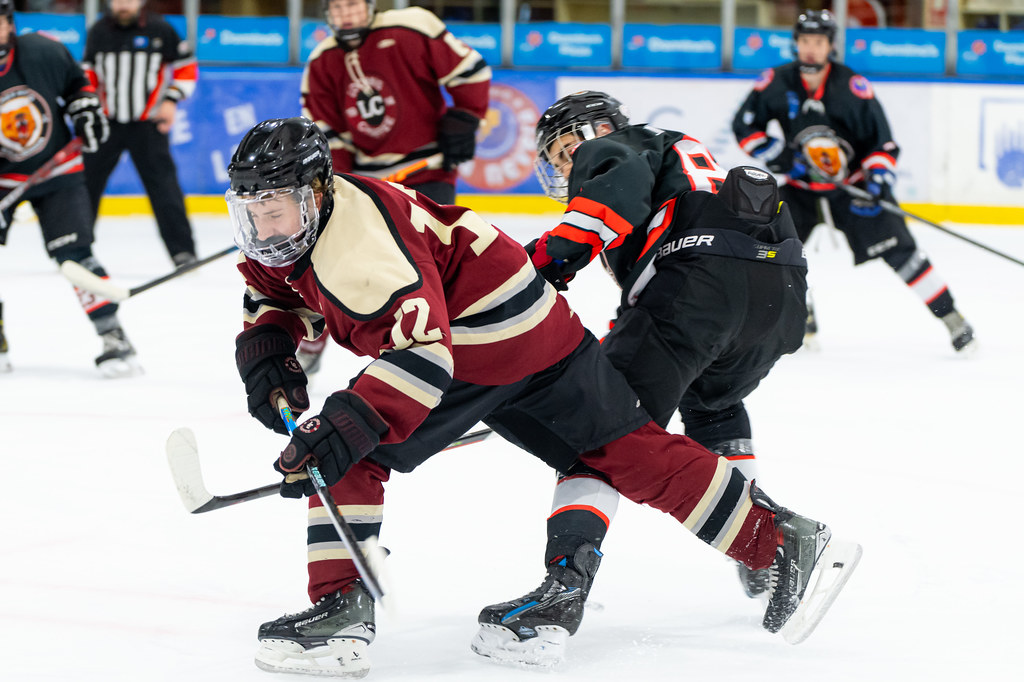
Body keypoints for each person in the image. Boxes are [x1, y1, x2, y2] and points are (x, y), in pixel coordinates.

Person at [225, 116, 859, 677]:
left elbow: (422, 355)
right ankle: (781, 541)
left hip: (483, 337)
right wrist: (269, 348)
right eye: (249, 210)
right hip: (542, 321)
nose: (261, 224)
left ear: (316, 194)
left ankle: (340, 608)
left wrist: (347, 423)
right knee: (622, 446)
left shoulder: (362, 243)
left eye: (274, 208)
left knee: (353, 447)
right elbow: (277, 294)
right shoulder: (304, 226)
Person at [470, 90, 810, 659]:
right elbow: (661, 283)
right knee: (714, 406)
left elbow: (600, 219)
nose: (562, 165)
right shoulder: (683, 164)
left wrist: (538, 267)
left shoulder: (616, 147)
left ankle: (563, 589)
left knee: (598, 430)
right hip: (776, 302)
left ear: (591, 130)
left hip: (700, 284)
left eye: (560, 150)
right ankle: (763, 548)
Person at [732, 8, 975, 353]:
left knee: (903, 254)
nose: (811, 49)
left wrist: (877, 179)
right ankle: (803, 314)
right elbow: (745, 126)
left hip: (854, 189)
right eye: (804, 41)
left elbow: (883, 143)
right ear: (795, 44)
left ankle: (952, 318)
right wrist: (782, 156)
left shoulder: (852, 87)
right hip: (801, 189)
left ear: (830, 45)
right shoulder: (775, 82)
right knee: (771, 250)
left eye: (818, 41)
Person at [296, 0, 491, 374]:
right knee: (346, 262)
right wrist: (343, 186)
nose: (345, 14)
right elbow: (328, 132)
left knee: (434, 269)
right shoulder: (322, 60)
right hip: (369, 182)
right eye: (336, 8)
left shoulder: (412, 26)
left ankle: (455, 361)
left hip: (427, 170)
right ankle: (318, 336)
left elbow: (471, 71)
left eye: (352, 4)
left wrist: (466, 115)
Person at [0, 1, 139, 377]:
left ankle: (113, 336)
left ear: (9, 24)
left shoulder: (42, 50)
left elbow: (78, 83)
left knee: (76, 255)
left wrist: (85, 109)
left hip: (54, 168)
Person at [81, 0, 199, 268]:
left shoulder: (160, 29)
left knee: (164, 188)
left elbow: (186, 67)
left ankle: (183, 251)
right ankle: (79, 249)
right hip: (107, 124)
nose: (123, 4)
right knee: (86, 186)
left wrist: (171, 100)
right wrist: (89, 108)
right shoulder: (98, 31)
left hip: (148, 124)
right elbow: (87, 74)